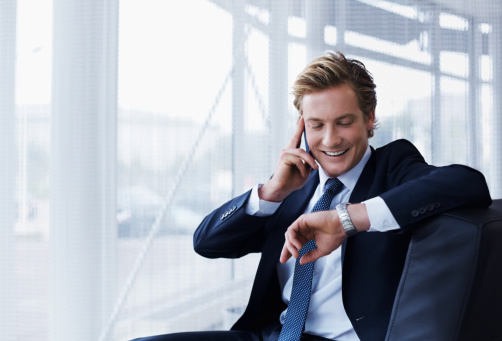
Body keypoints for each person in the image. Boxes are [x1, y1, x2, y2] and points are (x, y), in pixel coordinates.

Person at [132, 51, 492, 341]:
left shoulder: (393, 167)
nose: (330, 140)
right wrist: (272, 190)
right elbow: (207, 243)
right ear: (301, 124)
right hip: (271, 334)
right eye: (317, 125)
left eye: (344, 122)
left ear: (369, 118)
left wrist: (346, 220)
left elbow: (467, 183)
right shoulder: (294, 186)